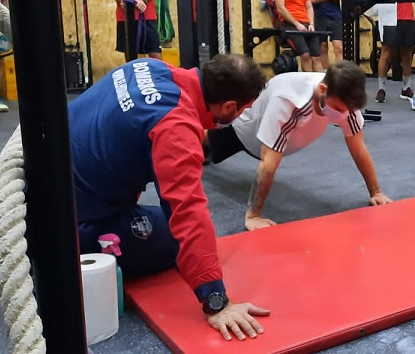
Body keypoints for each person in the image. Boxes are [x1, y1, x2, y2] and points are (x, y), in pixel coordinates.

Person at [70, 54, 270, 340]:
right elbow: (187, 211)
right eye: (242, 110)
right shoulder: (174, 126)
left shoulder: (149, 67)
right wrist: (215, 300)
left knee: (173, 230)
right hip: (74, 220)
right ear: (228, 107)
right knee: (175, 241)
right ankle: (73, 252)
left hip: (55, 179)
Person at [203, 61, 393, 231]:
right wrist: (253, 215)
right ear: (322, 89)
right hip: (246, 132)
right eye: (338, 109)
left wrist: (376, 192)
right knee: (206, 143)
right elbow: (268, 164)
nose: (342, 115)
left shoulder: (343, 96)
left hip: (284, 136)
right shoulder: (290, 102)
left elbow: (358, 147)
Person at [274, 0, 321, 72]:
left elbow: (309, 7)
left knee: (316, 57)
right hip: (289, 24)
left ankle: (321, 86)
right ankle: (308, 86)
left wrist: (311, 24)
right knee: (305, 55)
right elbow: (280, 8)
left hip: (306, 23)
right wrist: (296, 24)